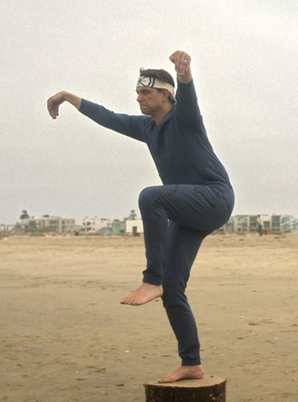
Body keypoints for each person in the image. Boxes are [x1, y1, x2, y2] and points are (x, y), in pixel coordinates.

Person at [47, 50, 234, 382]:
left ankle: (151, 279)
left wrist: (184, 72)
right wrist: (67, 96)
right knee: (174, 289)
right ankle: (191, 362)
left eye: (145, 93)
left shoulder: (184, 118)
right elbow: (106, 116)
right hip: (189, 212)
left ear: (164, 94)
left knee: (150, 197)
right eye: (137, 93)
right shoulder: (147, 128)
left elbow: (188, 94)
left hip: (215, 197)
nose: (138, 99)